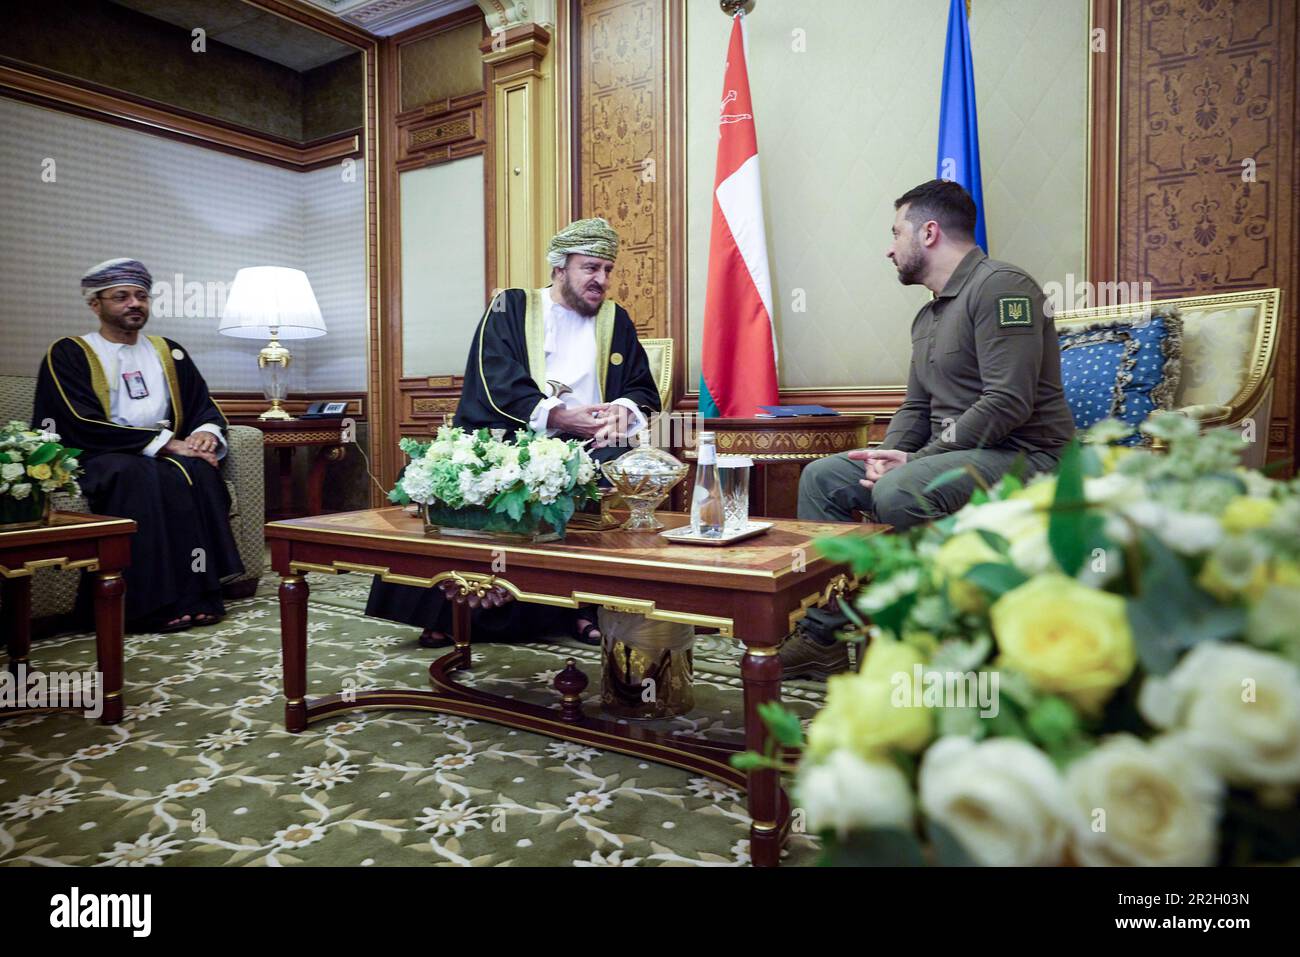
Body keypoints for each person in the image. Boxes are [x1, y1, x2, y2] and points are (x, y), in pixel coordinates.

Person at [782, 180, 1076, 679]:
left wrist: (913, 463)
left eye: (897, 232)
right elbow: (915, 408)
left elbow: (1007, 402)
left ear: (930, 232)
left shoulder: (1005, 287)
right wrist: (886, 456)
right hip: (950, 457)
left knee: (902, 488)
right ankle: (823, 635)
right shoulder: (927, 316)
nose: (889, 247)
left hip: (1028, 457)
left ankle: (922, 637)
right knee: (822, 478)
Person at [366, 217, 661, 647]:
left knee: (603, 470)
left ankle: (580, 606)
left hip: (590, 444)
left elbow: (641, 388)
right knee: (467, 471)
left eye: (608, 270)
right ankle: (453, 609)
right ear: (559, 268)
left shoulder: (616, 319)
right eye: (590, 268)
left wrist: (622, 411)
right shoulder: (511, 306)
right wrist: (557, 417)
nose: (601, 280)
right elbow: (495, 377)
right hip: (514, 429)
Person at [33, 258, 243, 631]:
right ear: (95, 304)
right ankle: (143, 605)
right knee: (137, 474)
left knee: (194, 471)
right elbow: (76, 423)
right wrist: (166, 444)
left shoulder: (169, 351)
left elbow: (200, 404)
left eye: (141, 296)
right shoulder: (69, 352)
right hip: (100, 454)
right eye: (121, 296)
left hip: (163, 454)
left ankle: (198, 594)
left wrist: (207, 432)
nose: (134, 304)